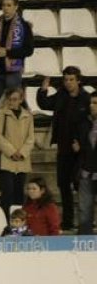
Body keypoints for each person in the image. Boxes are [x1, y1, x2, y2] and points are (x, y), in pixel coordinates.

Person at [37, 67, 90, 230]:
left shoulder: (86, 99)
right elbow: (45, 104)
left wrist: (82, 144)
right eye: (66, 79)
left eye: (71, 79)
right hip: (63, 149)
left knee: (81, 186)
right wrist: (43, 90)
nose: (68, 83)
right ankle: (67, 222)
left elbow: (91, 125)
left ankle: (86, 223)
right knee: (63, 185)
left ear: (78, 80)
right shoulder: (61, 95)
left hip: (80, 152)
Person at [0, 0, 35, 146]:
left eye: (9, 5)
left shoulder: (24, 26)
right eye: (3, 5)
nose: (5, 8)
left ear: (16, 7)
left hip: (13, 72)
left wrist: (8, 52)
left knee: (15, 106)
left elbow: (29, 50)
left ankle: (18, 138)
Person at [0, 87, 34, 219]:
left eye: (15, 99)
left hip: (22, 161)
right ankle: (6, 222)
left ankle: (18, 223)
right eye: (9, 99)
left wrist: (22, 152)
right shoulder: (1, 114)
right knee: (7, 194)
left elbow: (31, 138)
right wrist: (11, 151)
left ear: (21, 100)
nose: (11, 102)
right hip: (6, 160)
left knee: (19, 195)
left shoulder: (28, 116)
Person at [74, 92, 97, 234]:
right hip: (86, 172)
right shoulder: (83, 124)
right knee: (84, 209)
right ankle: (84, 238)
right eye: (91, 103)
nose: (92, 106)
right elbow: (78, 143)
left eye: (95, 103)